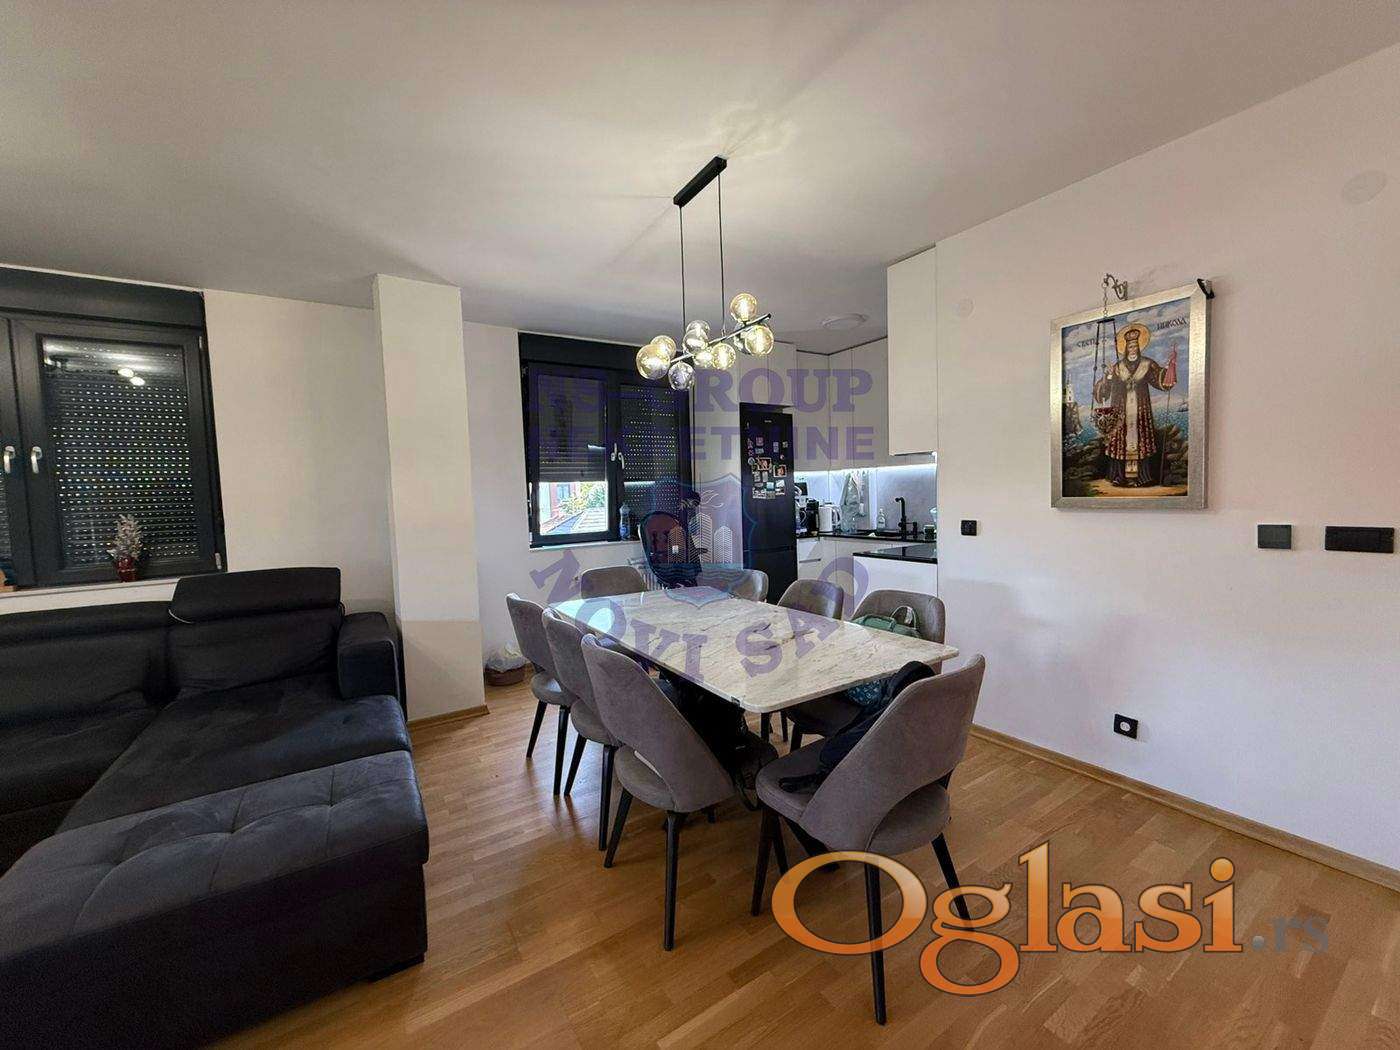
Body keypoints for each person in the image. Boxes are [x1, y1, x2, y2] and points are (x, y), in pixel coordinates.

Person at [1093, 322, 1177, 487]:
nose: (1133, 349)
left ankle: (1143, 477)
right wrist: (1108, 377)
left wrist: (1170, 369)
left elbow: (1159, 379)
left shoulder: (1147, 364)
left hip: (1140, 410)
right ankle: (1119, 476)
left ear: (1139, 347)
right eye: (1130, 346)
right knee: (1119, 442)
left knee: (1141, 441)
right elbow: (1104, 391)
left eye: (1135, 346)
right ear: (1126, 348)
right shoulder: (1118, 367)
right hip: (1121, 412)